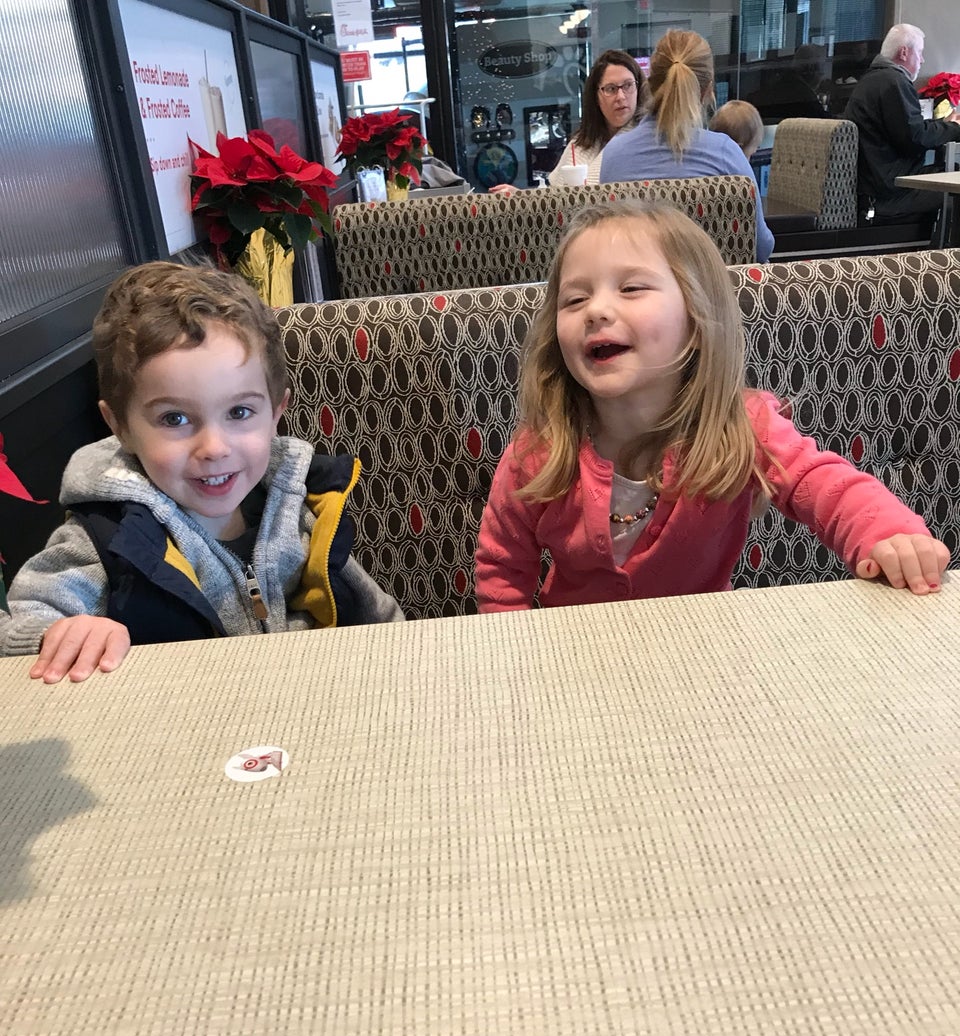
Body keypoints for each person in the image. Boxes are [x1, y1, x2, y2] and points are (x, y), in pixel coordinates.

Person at [475, 201, 948, 612]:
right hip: (573, 656)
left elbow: (825, 485)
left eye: (632, 288)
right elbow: (502, 569)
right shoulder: (537, 451)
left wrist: (891, 535)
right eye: (575, 298)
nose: (596, 310)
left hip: (706, 650)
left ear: (698, 320)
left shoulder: (743, 426)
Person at [0, 261, 403, 681]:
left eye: (239, 412)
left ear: (275, 414)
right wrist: (59, 634)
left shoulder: (303, 506)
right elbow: (19, 623)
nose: (213, 448)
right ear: (120, 427)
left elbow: (382, 621)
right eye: (174, 419)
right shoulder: (105, 538)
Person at [598, 30, 776, 261]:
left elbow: (611, 243)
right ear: (708, 90)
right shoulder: (725, 153)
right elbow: (761, 247)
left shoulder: (614, 155)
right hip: (716, 284)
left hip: (641, 281)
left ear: (650, 84)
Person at [843, 23, 960, 227]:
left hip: (875, 187)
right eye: (920, 53)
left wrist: (943, 124)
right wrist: (955, 128)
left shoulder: (873, 80)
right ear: (904, 53)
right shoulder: (893, 82)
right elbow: (915, 138)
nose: (922, 60)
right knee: (953, 179)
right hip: (891, 194)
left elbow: (908, 129)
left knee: (951, 172)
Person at [490, 50, 647, 193]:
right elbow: (554, 200)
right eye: (611, 89)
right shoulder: (579, 145)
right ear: (596, 97)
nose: (621, 96)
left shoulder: (649, 142)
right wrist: (519, 197)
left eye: (628, 85)